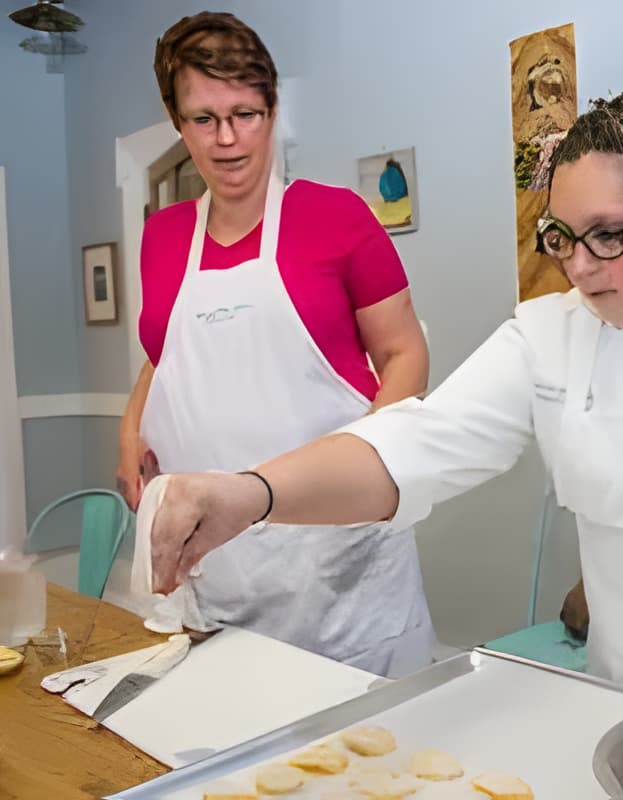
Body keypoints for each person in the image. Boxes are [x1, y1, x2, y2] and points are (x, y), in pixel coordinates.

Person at [146, 85, 623, 718]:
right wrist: (251, 494)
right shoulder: (545, 336)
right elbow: (412, 445)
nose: (579, 268)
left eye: (609, 236)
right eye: (561, 236)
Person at [115, 12, 433, 676]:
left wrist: (373, 459)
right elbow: (166, 351)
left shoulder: (338, 218)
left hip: (335, 564)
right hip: (218, 564)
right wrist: (129, 426)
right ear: (178, 124)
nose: (227, 140)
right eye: (204, 119)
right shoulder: (163, 235)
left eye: (245, 114)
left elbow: (405, 354)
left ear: (272, 108)